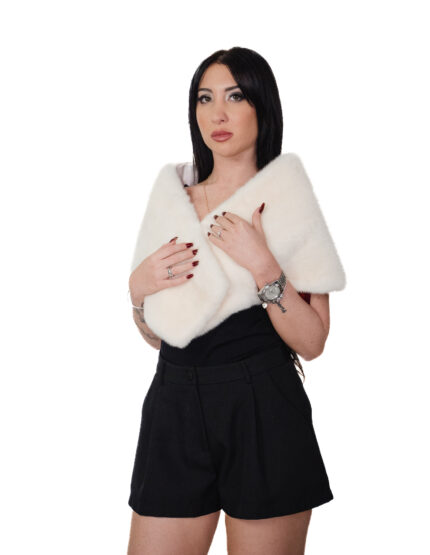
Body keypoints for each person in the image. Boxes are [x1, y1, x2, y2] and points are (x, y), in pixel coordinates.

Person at [127, 47, 335, 555]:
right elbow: (159, 334)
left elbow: (312, 341)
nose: (216, 114)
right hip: (174, 402)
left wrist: (263, 264)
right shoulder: (172, 195)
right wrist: (138, 292)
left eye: (235, 97)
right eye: (205, 98)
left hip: (263, 405)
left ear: (262, 107)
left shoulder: (287, 199)